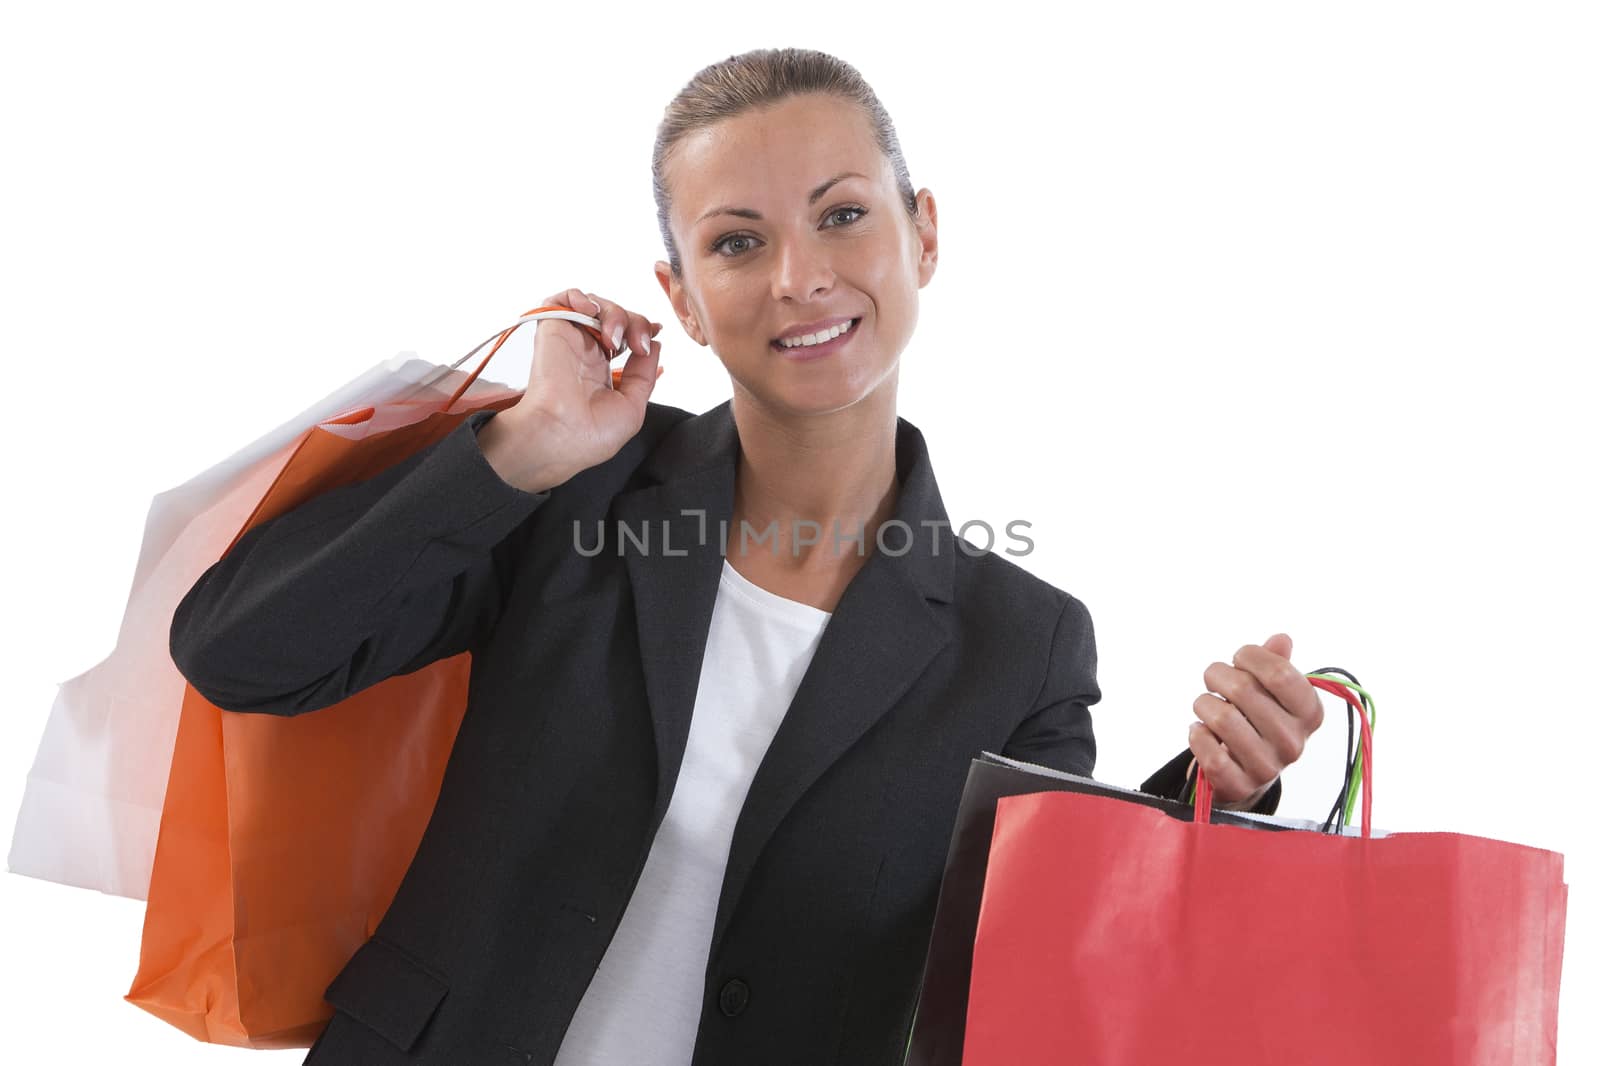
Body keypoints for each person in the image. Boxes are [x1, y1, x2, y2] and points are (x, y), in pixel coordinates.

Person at [170, 47, 1326, 1066]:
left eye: (840, 215)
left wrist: (1217, 796)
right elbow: (240, 653)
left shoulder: (1022, 644)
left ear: (923, 233)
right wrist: (522, 446)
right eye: (736, 241)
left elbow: (1026, 972)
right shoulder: (581, 491)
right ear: (679, 293)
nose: (797, 277)